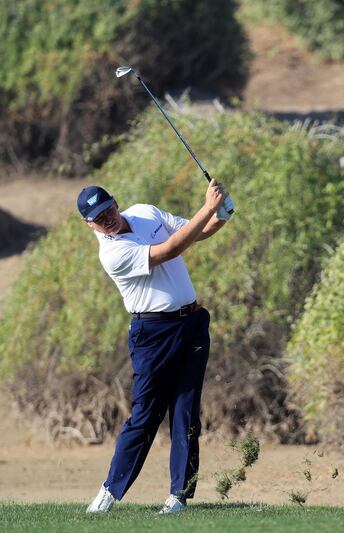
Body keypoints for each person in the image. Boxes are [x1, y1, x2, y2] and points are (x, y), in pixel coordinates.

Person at [77, 178, 230, 514]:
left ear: (115, 202)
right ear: (89, 225)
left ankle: (179, 496)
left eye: (108, 210)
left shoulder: (145, 213)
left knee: (186, 411)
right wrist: (208, 206)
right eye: (99, 219)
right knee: (146, 414)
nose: (108, 220)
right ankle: (110, 492)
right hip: (153, 333)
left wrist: (220, 215)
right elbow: (171, 249)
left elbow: (192, 231)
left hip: (191, 324)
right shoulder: (112, 252)